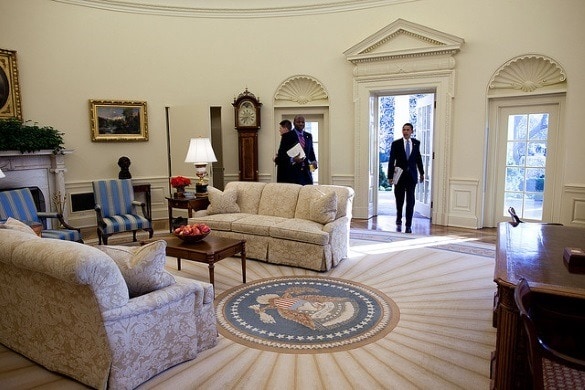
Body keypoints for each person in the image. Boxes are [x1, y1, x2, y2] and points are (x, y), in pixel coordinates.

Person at [387, 123, 424, 233]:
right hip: (399, 176)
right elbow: (391, 160)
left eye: (408, 130)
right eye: (404, 129)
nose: (405, 132)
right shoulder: (396, 144)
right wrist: (390, 177)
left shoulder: (416, 143)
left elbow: (418, 159)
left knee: (410, 201)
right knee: (399, 199)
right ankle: (399, 216)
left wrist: (422, 173)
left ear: (412, 131)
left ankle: (408, 225)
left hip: (411, 177)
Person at [276, 115, 318, 185]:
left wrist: (314, 163)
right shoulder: (287, 136)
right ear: (294, 123)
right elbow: (281, 155)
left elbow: (311, 153)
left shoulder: (309, 136)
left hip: (306, 175)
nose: (301, 124)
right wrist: (293, 159)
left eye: (303, 122)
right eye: (298, 122)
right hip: (292, 176)